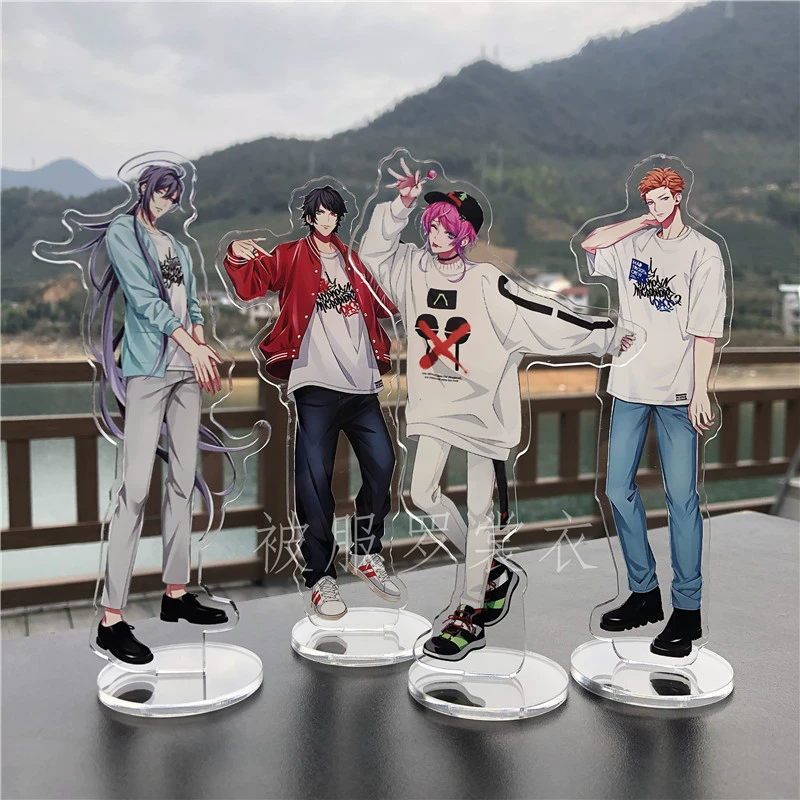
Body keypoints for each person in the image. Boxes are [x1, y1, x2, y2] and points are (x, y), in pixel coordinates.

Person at [359, 159, 633, 661]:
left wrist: (607, 335)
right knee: (422, 494)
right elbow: (372, 254)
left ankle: (470, 610)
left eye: (446, 228)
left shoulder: (488, 282)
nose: (436, 235)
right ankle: (489, 569)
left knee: (480, 509)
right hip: (434, 406)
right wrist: (399, 206)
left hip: (484, 413)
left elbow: (544, 315)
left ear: (464, 234)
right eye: (432, 225)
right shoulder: (411, 270)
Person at [223, 186, 400, 620]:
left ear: (339, 217)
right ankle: (320, 576)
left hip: (361, 384)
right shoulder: (290, 256)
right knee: (315, 480)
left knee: (383, 464)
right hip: (315, 382)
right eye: (318, 213)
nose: (325, 219)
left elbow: (386, 303)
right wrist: (235, 255)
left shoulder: (352, 260)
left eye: (332, 213)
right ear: (308, 216)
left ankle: (365, 551)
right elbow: (251, 284)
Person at [81, 164, 233, 665]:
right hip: (148, 370)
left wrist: (201, 346)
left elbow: (192, 307)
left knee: (183, 481)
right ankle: (111, 619)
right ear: (143, 188)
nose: (166, 200)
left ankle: (175, 593)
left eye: (173, 195)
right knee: (135, 490)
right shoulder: (123, 232)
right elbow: (145, 301)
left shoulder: (178, 247)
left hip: (187, 372)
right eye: (161, 191)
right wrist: (192, 344)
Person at [582, 166, 726, 658]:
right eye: (650, 200)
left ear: (678, 197)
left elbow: (705, 329)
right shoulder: (633, 243)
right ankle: (644, 593)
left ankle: (688, 610)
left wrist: (701, 389)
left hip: (678, 391)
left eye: (664, 199)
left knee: (681, 498)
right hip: (629, 384)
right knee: (616, 489)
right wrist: (639, 223)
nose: (658, 206)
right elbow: (590, 244)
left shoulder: (704, 252)